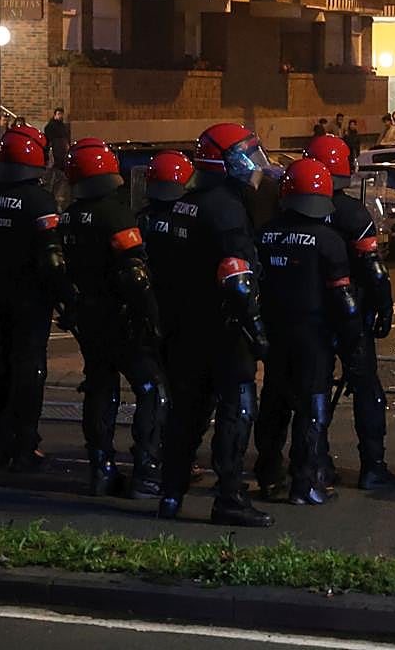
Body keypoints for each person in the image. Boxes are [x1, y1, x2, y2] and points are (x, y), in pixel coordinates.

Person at [256, 135, 395, 493]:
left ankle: (294, 465)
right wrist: (383, 306)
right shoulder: (352, 214)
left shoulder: (280, 218)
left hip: (295, 318)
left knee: (284, 392)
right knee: (364, 389)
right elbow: (373, 268)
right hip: (348, 313)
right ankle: (372, 466)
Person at [156, 123, 275, 528]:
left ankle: (170, 493)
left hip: (184, 328)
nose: (254, 164)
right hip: (223, 329)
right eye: (246, 155)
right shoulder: (226, 208)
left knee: (186, 411)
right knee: (238, 406)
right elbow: (237, 277)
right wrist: (257, 331)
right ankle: (229, 496)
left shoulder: (186, 204)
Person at [61, 139, 168, 498]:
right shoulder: (115, 213)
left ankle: (101, 468)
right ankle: (146, 471)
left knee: (100, 389)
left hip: (89, 317)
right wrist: (151, 319)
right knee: (152, 389)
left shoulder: (69, 216)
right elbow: (134, 273)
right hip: (123, 319)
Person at [255, 159, 359, 507]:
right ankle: (306, 481)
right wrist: (352, 340)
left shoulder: (263, 234)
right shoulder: (328, 240)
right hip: (313, 336)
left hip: (273, 334)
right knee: (311, 409)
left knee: (273, 403)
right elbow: (343, 300)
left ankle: (268, 476)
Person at [0, 126, 76, 471]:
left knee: (4, 364)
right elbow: (51, 260)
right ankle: (24, 443)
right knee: (29, 370)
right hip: (30, 299)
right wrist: (67, 301)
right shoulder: (38, 201)